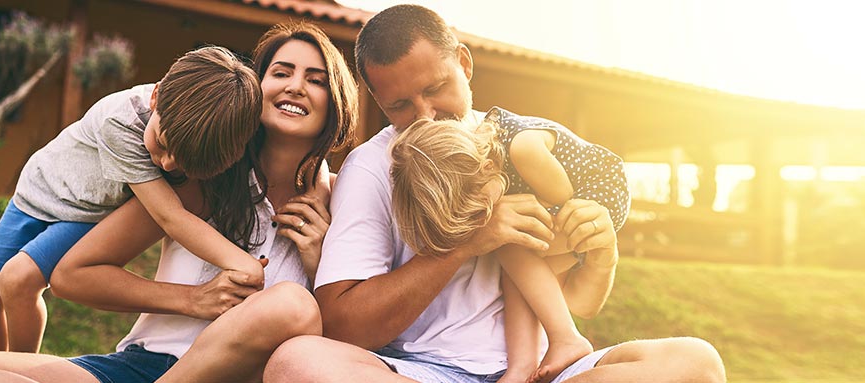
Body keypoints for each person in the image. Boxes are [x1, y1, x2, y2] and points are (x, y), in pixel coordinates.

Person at [0, 22, 360, 383]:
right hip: (142, 366)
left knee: (291, 303)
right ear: (252, 92)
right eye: (281, 72)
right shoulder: (202, 181)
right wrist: (191, 300)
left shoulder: (344, 201)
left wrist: (320, 260)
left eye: (316, 79)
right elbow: (72, 275)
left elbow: (357, 343)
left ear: (336, 100)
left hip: (248, 374)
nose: (296, 85)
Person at [265, 4, 726, 383]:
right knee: (297, 364)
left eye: (436, 89)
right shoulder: (372, 166)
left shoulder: (525, 145)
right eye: (399, 106)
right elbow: (343, 326)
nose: (426, 115)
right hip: (425, 372)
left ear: (464, 64)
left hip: (543, 371)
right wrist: (469, 241)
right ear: (378, 103)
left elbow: (576, 300)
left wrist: (602, 254)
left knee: (696, 363)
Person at [0, 45, 267, 353]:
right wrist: (242, 263)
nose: (165, 164)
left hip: (84, 210)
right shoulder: (121, 123)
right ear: (156, 97)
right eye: (162, 145)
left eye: (180, 163)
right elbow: (170, 216)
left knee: (18, 280)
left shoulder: (188, 124)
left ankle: (17, 371)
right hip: (39, 189)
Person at [388, 110, 630, 382]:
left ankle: (566, 338)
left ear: (487, 169)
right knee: (517, 271)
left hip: (597, 194)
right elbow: (578, 301)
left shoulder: (522, 149)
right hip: (577, 204)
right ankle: (523, 366)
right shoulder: (490, 158)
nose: (484, 221)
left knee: (513, 248)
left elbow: (565, 199)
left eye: (481, 211)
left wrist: (549, 222)